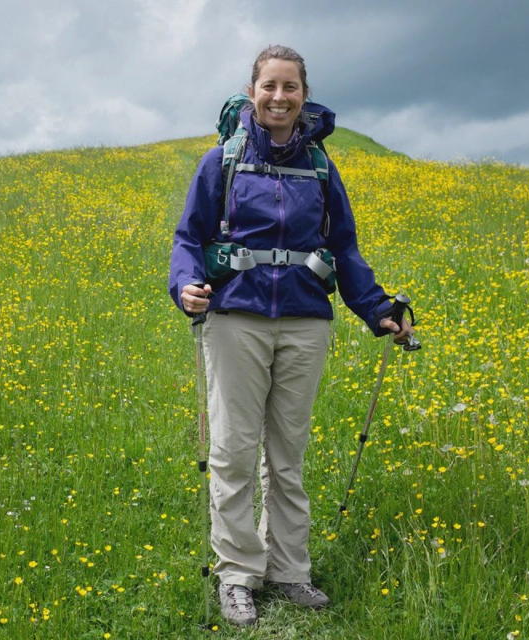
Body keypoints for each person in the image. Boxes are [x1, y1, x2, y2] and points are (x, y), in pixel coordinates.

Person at [168, 45, 413, 627]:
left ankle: (289, 571)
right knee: (232, 452)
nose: (279, 97)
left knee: (287, 455)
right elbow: (187, 237)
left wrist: (376, 307)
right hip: (236, 322)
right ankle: (237, 574)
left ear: (305, 94)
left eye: (291, 87)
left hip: (305, 323)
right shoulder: (221, 161)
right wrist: (186, 285)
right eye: (269, 86)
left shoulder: (323, 167)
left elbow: (344, 248)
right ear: (252, 91)